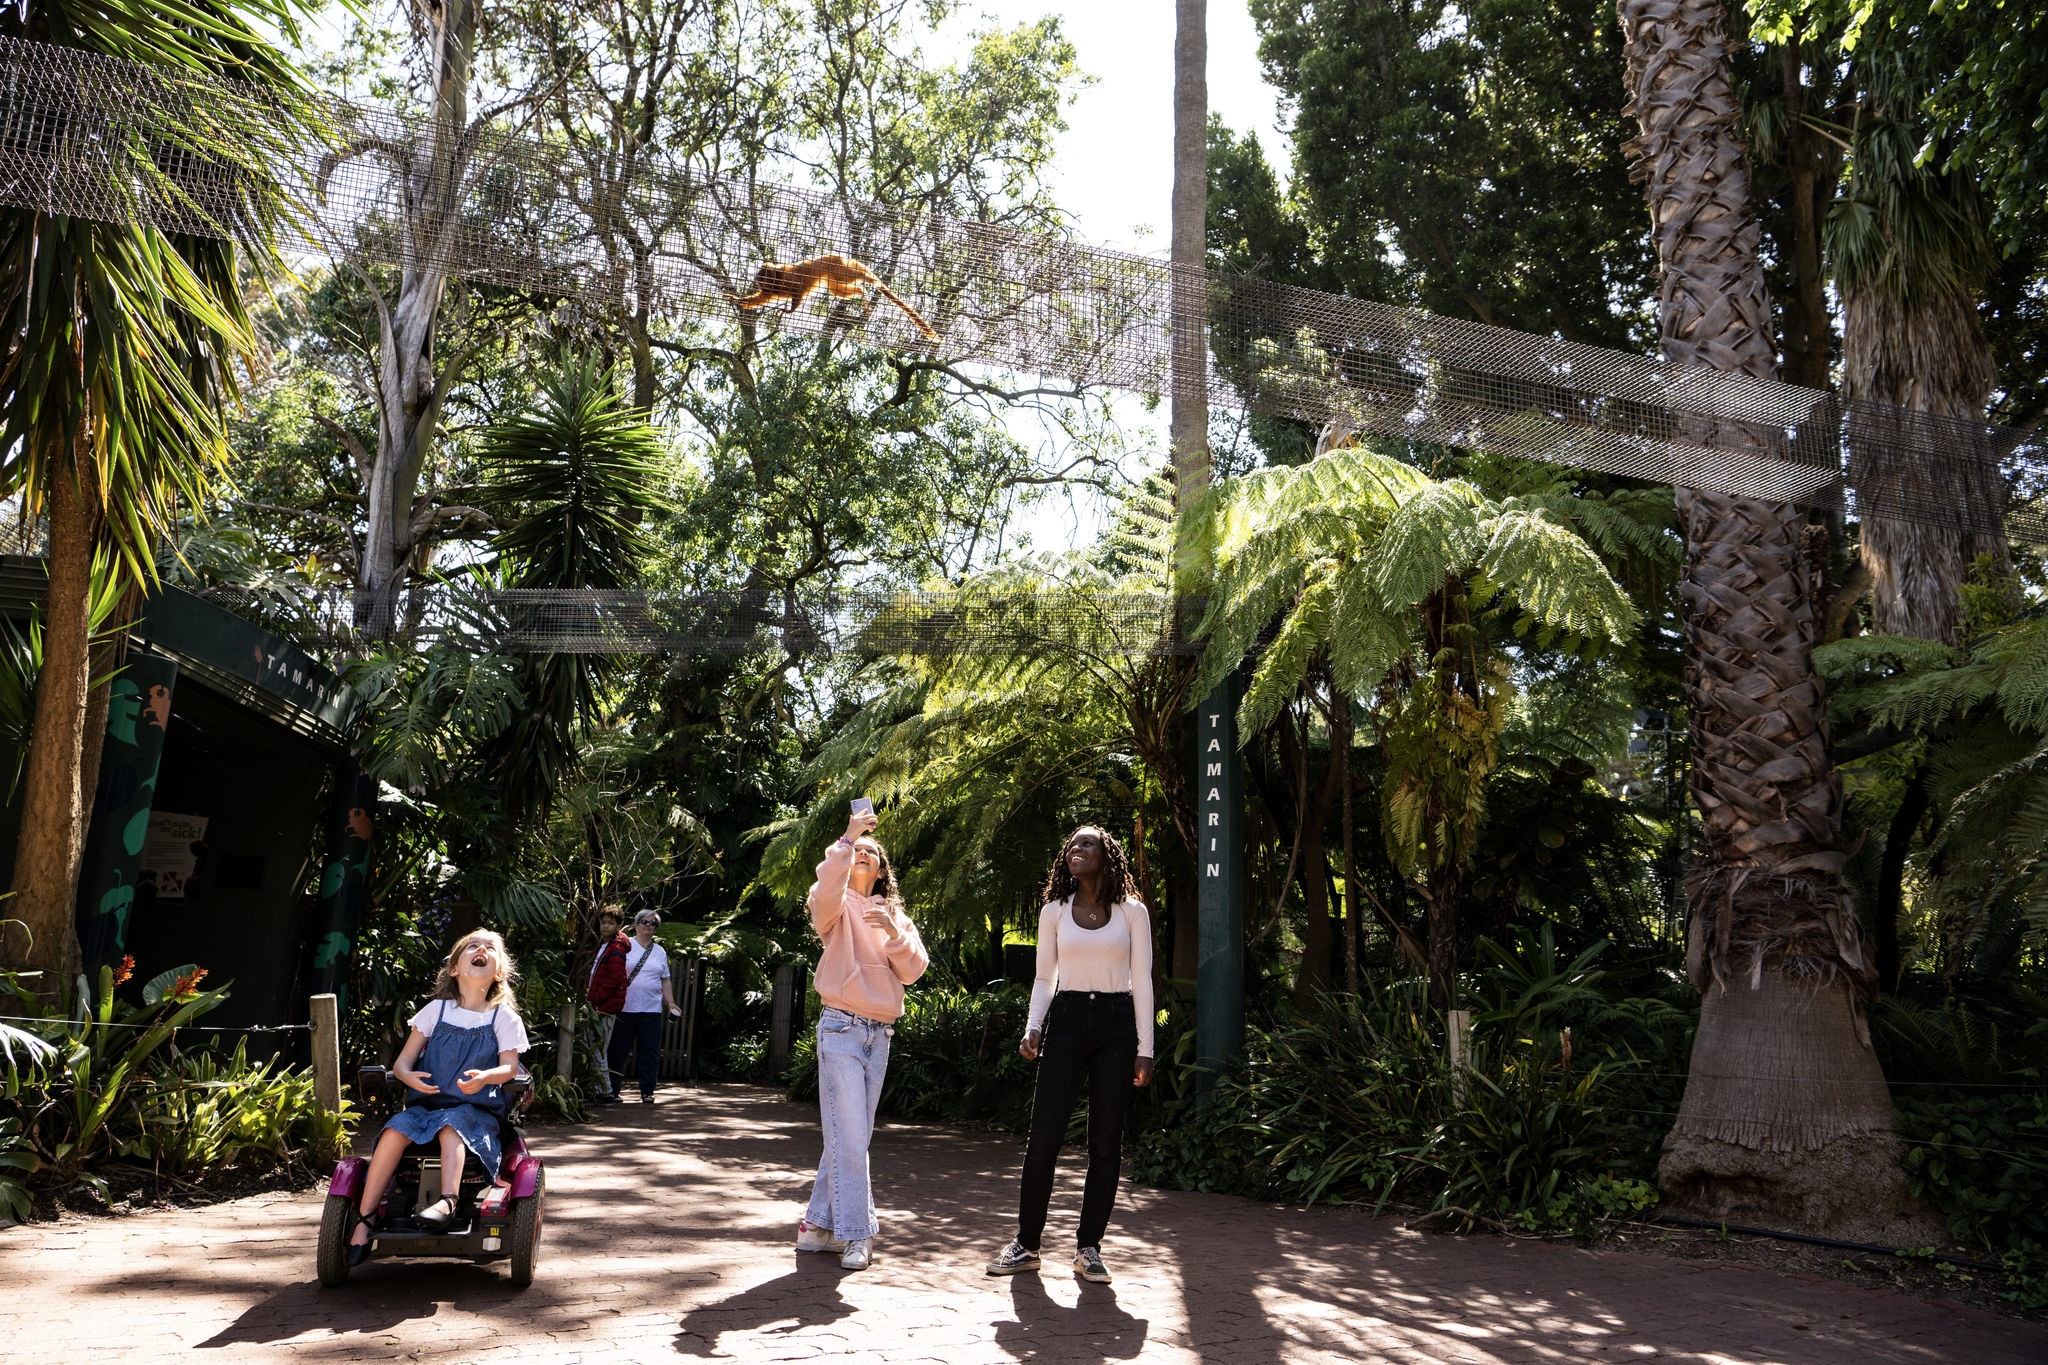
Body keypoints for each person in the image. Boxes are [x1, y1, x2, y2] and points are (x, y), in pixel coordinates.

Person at [987, 826, 1154, 1284]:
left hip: (1117, 1023)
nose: (1075, 850)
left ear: (1107, 855)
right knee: (1043, 1138)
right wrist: (1033, 1027)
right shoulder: (1054, 912)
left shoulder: (1132, 912)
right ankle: (1027, 1244)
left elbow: (1142, 981)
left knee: (1106, 1144)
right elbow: (1045, 979)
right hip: (1067, 1016)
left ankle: (1089, 1248)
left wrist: (1146, 1048)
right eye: (1071, 846)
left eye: (1086, 844)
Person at [795, 806, 928, 1272]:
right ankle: (857, 1233)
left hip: (881, 1035)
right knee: (851, 1138)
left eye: (873, 852)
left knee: (849, 1137)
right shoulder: (833, 904)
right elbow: (825, 896)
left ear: (882, 869)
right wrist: (849, 836)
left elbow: (913, 971)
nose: (865, 854)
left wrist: (894, 933)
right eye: (860, 851)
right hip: (841, 1029)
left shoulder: (895, 914)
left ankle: (816, 1227)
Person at [345, 929, 528, 1264]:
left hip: (474, 1110)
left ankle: (448, 1200)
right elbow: (402, 1061)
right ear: (454, 968)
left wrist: (487, 1076)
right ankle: (365, 1216)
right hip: (426, 1106)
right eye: (473, 945)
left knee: (452, 1124)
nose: (481, 950)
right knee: (394, 1130)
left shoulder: (503, 1018)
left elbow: (509, 1068)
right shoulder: (436, 1011)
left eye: (490, 948)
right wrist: (407, 1075)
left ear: (499, 971)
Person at [607, 909, 683, 1103]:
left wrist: (671, 1002)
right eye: (644, 922)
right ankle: (613, 1090)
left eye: (652, 923)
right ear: (636, 923)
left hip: (651, 1009)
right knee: (618, 1050)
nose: (648, 926)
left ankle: (647, 1091)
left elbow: (665, 980)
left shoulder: (660, 951)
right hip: (624, 1008)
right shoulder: (625, 945)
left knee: (649, 1051)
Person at [584, 906, 629, 1105]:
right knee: (590, 1046)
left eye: (611, 923)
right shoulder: (605, 946)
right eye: (603, 923)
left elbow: (615, 978)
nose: (605, 926)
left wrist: (596, 1000)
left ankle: (607, 1091)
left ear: (618, 926)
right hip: (597, 1005)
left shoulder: (617, 948)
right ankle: (597, 1088)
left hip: (605, 1007)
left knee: (598, 1048)